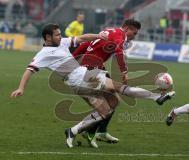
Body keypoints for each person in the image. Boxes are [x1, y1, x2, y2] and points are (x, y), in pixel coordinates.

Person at [10, 23, 175, 148]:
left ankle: (72, 131)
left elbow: (81, 38)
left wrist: (99, 36)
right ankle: (156, 97)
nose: (60, 37)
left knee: (104, 111)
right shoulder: (43, 54)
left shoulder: (61, 43)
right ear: (47, 37)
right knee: (117, 87)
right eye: (57, 35)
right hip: (84, 77)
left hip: (78, 83)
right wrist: (21, 88)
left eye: (60, 34)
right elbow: (29, 70)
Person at [72, 19, 141, 148]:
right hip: (92, 71)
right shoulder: (120, 35)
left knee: (114, 101)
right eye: (134, 33)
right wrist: (124, 71)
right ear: (127, 28)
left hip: (94, 68)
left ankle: (99, 132)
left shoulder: (109, 31)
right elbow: (119, 52)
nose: (134, 36)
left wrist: (73, 57)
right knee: (107, 105)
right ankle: (87, 131)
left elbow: (87, 44)